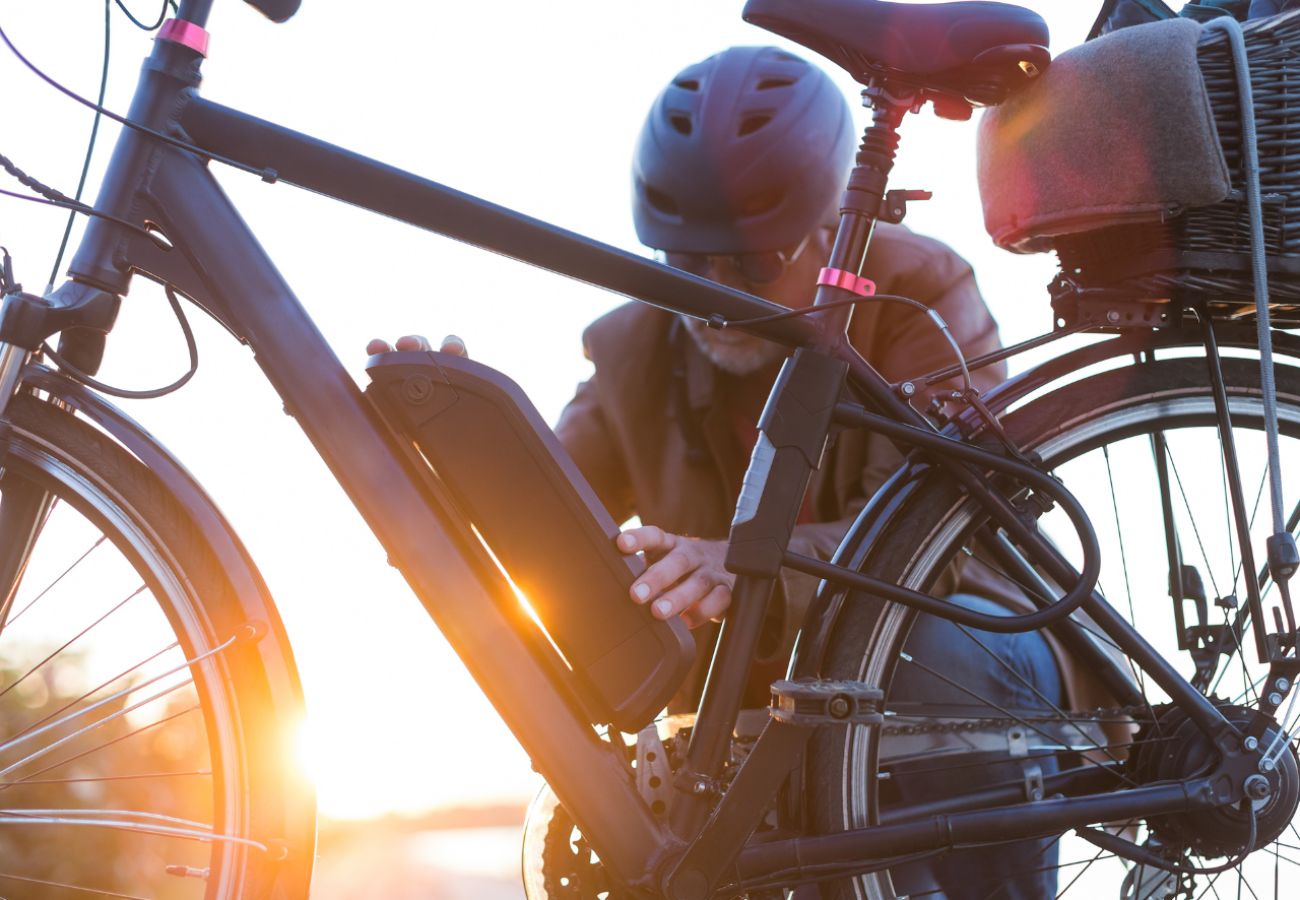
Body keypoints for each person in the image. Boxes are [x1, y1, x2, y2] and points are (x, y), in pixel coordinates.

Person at [373, 45, 1064, 899]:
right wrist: (454, 442)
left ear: (826, 228)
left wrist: (736, 568)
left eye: (748, 263)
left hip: (957, 648)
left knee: (931, 654)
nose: (710, 291)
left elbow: (934, 539)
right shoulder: (632, 345)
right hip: (776, 697)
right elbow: (548, 515)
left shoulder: (918, 294)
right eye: (684, 262)